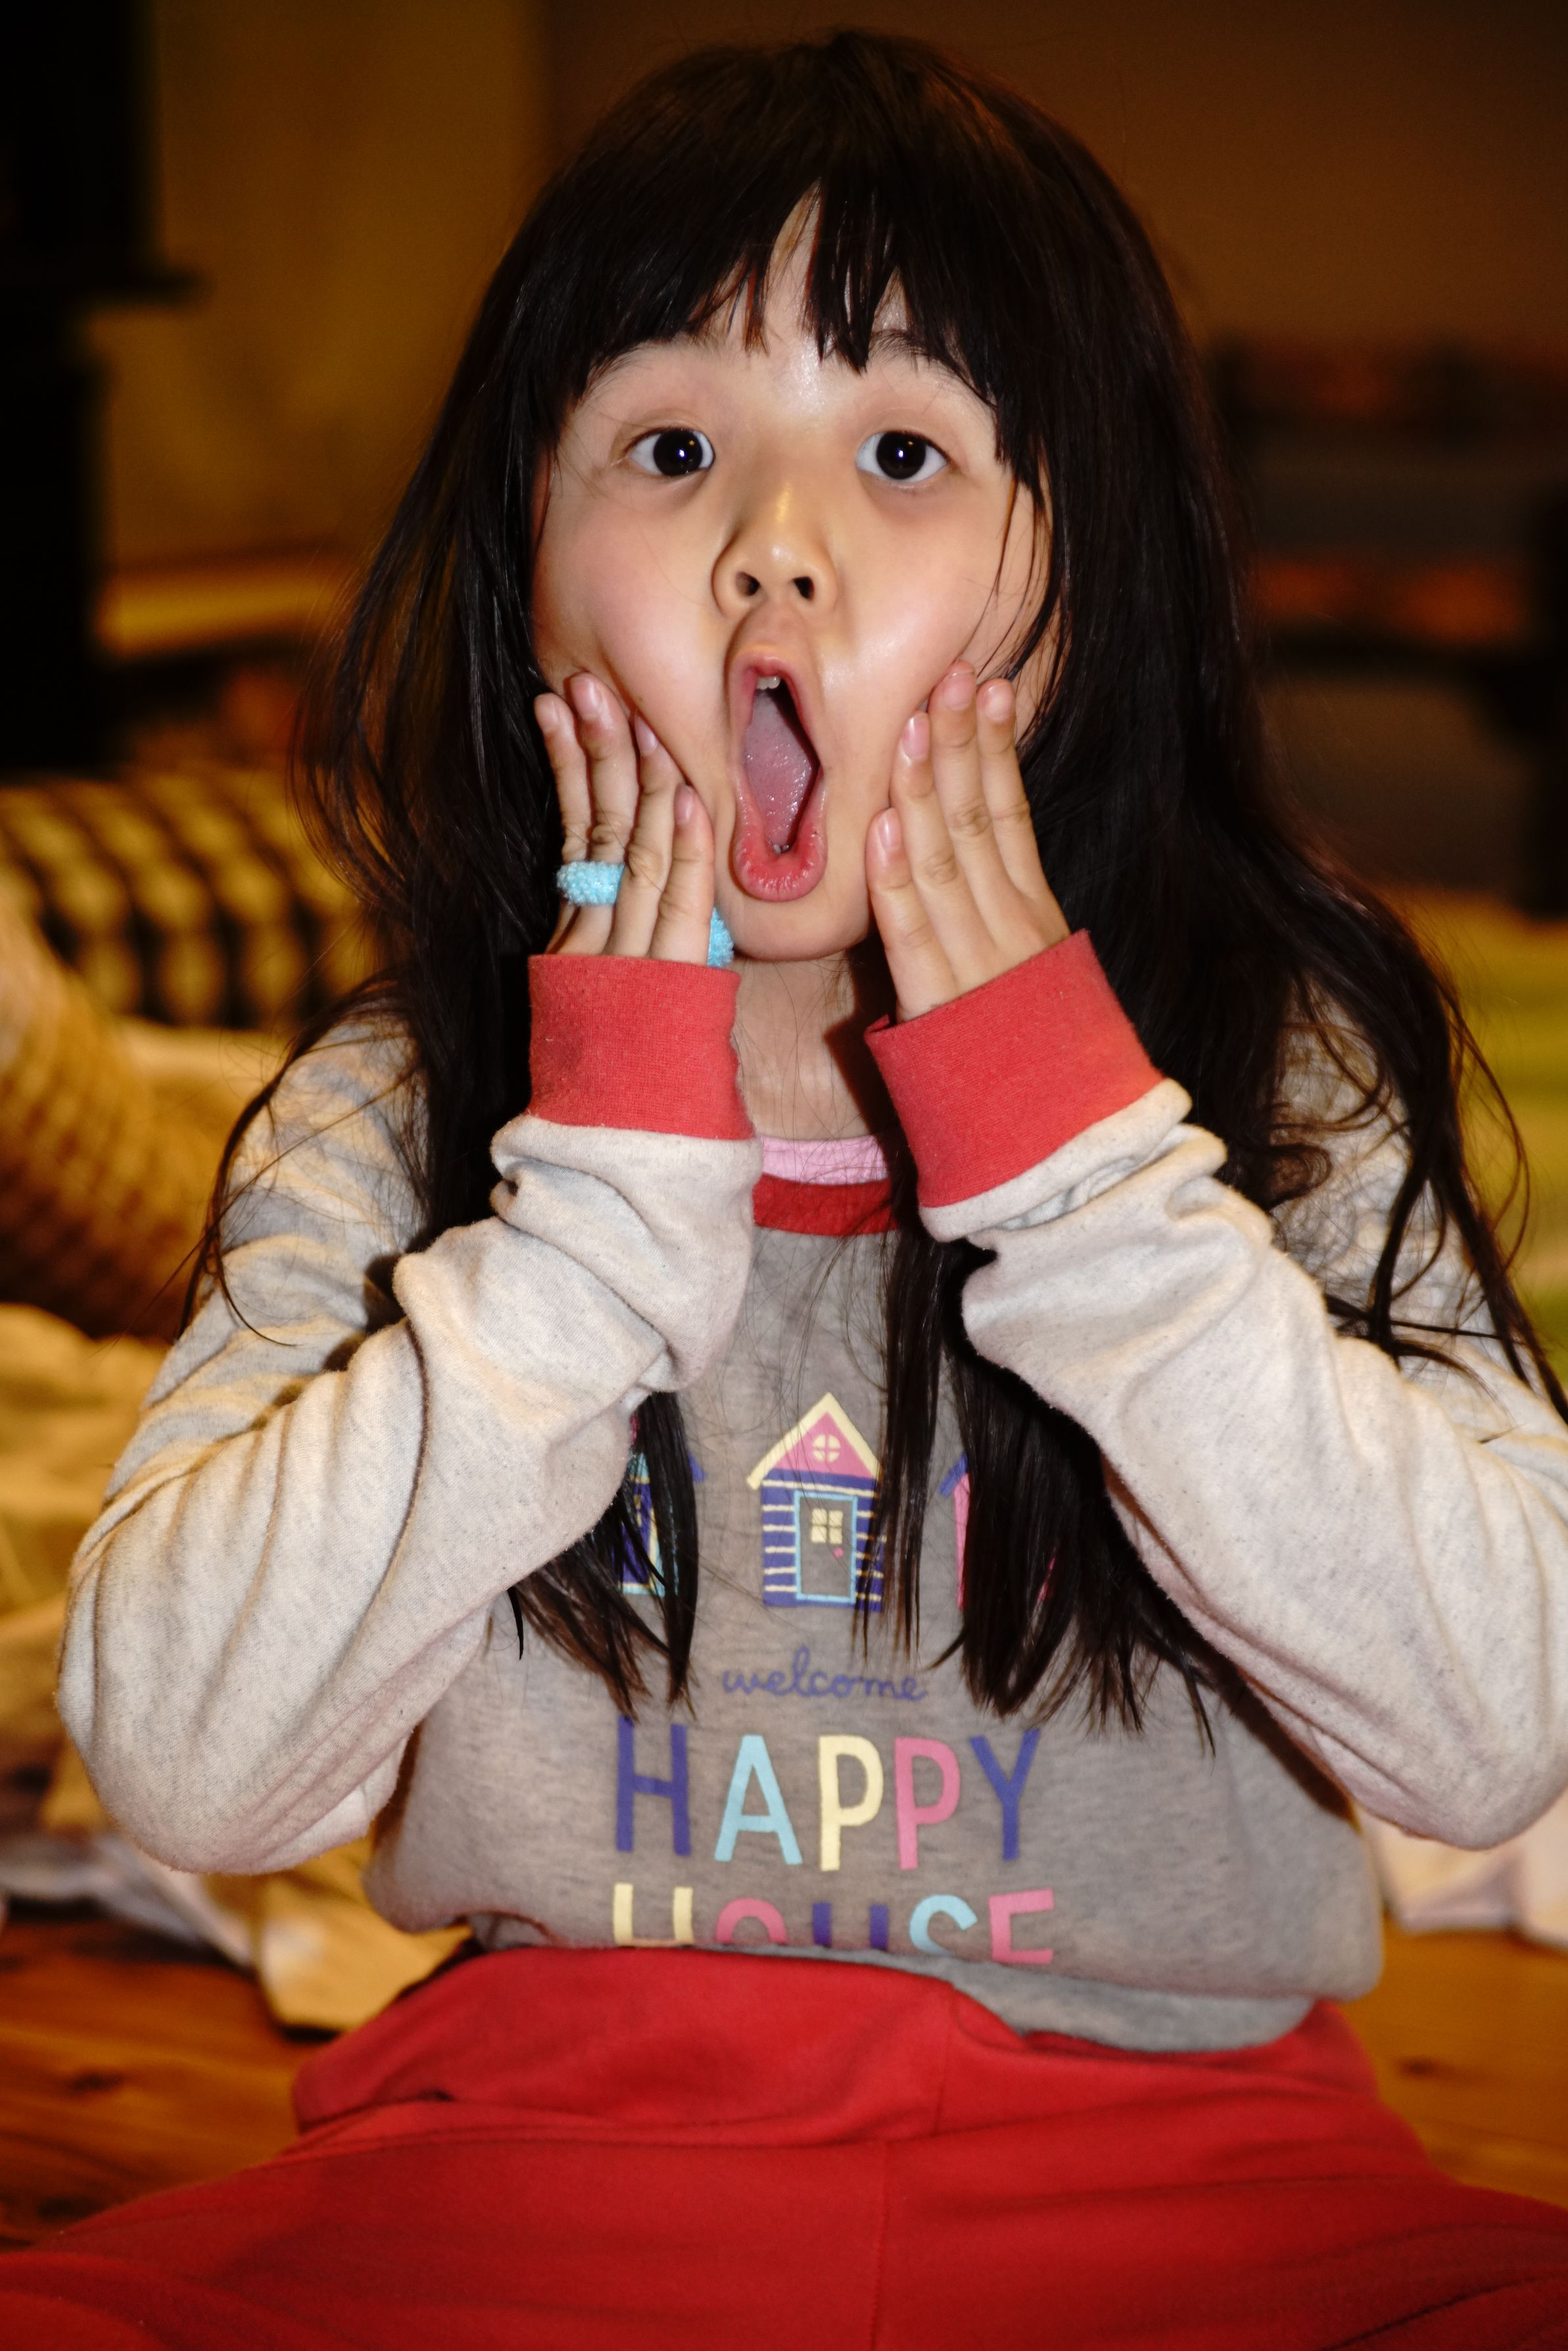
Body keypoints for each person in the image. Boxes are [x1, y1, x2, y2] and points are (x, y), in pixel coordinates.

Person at [7, 32, 1568, 2348]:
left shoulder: (1282, 1084)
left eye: (905, 452)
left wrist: (1085, 1172)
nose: (774, 542)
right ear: (528, 591)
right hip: (535, 2157)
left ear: (1082, 596)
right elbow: (193, 1770)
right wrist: (592, 1216)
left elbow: (1494, 1724)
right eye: (668, 449)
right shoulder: (390, 1110)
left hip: (1191, 2168)